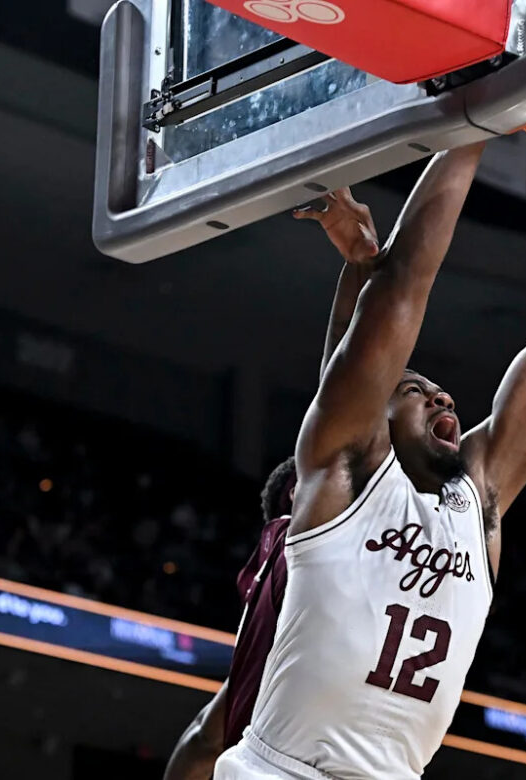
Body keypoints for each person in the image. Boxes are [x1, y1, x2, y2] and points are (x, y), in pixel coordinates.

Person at [213, 98, 526, 780]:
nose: (444, 396)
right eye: (414, 389)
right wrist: (478, 117)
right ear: (370, 418)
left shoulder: (478, 504)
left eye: (438, 390)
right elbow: (404, 284)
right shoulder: (345, 477)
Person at [164, 189, 382, 780]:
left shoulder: (266, 596)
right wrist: (363, 270)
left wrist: (360, 269)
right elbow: (347, 384)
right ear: (296, 499)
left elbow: (203, 740)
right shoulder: (305, 533)